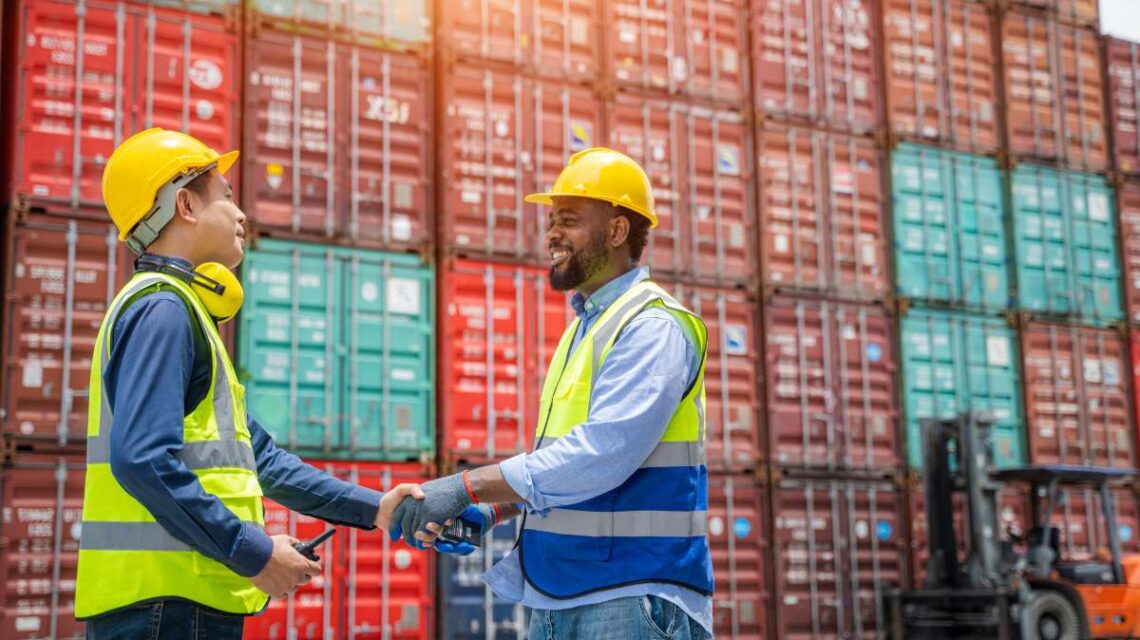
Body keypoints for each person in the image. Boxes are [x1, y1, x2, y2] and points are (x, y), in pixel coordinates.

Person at [75, 128, 420, 640]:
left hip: (179, 602)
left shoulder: (183, 312)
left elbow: (261, 460)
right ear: (186, 204)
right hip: (166, 608)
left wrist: (375, 508)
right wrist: (254, 552)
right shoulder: (164, 310)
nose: (241, 215)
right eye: (228, 198)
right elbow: (142, 459)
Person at [390, 147, 713, 639]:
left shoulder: (653, 325)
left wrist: (465, 487)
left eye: (568, 221)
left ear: (617, 230)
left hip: (632, 596)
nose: (552, 235)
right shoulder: (585, 329)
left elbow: (603, 454)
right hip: (562, 590)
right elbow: (564, 464)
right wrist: (496, 509)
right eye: (550, 222)